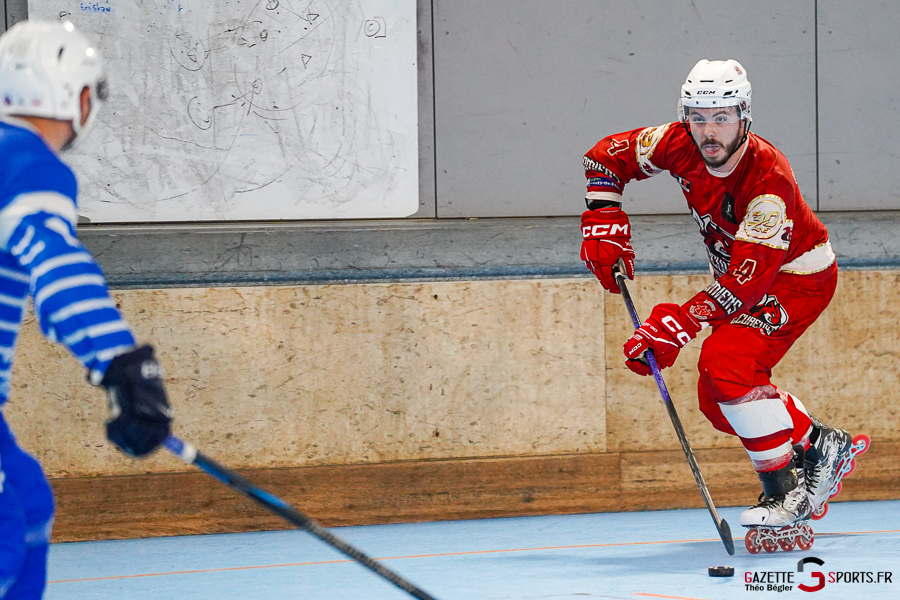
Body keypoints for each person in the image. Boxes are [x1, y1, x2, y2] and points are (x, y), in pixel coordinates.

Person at [579, 59, 863, 538]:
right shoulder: (676, 141)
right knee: (718, 401)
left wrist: (676, 324)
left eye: (723, 117)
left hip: (796, 279)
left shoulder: (768, 181)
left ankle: (785, 489)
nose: (709, 131)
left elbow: (746, 285)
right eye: (698, 117)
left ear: (744, 116)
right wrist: (603, 219)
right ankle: (817, 443)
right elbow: (604, 157)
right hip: (739, 277)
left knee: (725, 362)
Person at [0, 21, 172, 597]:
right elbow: (57, 269)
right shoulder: (26, 163)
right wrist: (123, 365)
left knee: (27, 502)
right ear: (73, 98)